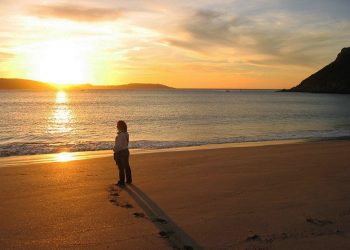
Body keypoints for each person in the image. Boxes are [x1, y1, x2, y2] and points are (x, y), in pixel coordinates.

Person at [113, 120, 132, 187]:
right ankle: (129, 180)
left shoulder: (120, 135)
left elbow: (118, 146)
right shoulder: (126, 134)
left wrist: (114, 150)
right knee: (126, 166)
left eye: (117, 125)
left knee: (121, 167)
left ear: (120, 126)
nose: (116, 126)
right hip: (126, 151)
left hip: (121, 152)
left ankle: (122, 181)